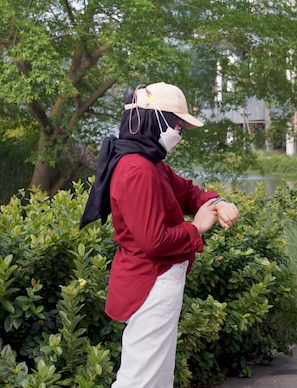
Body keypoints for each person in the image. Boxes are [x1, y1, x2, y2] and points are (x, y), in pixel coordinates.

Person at [80, 82, 239, 388]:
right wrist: (196, 227)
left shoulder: (150, 164)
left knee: (156, 375)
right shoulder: (137, 169)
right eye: (178, 125)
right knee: (140, 379)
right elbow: (153, 241)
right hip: (150, 282)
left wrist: (217, 202)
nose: (180, 132)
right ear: (157, 121)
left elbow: (189, 192)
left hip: (155, 281)